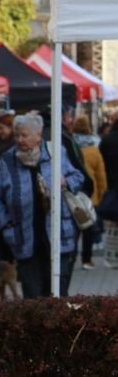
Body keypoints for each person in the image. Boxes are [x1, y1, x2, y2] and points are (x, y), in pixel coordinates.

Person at [0, 113, 85, 297]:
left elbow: (78, 177)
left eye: (24, 135)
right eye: (17, 135)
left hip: (58, 235)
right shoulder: (8, 160)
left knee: (58, 290)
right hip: (24, 237)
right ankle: (36, 327)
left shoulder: (56, 153)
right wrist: (5, 225)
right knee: (32, 294)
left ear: (38, 135)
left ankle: (59, 326)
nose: (19, 140)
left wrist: (66, 181)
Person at [71, 115, 108, 268]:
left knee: (73, 228)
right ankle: (87, 259)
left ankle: (70, 257)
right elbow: (100, 175)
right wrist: (101, 194)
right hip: (89, 192)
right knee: (88, 228)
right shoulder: (94, 148)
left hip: (72, 192)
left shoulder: (70, 144)